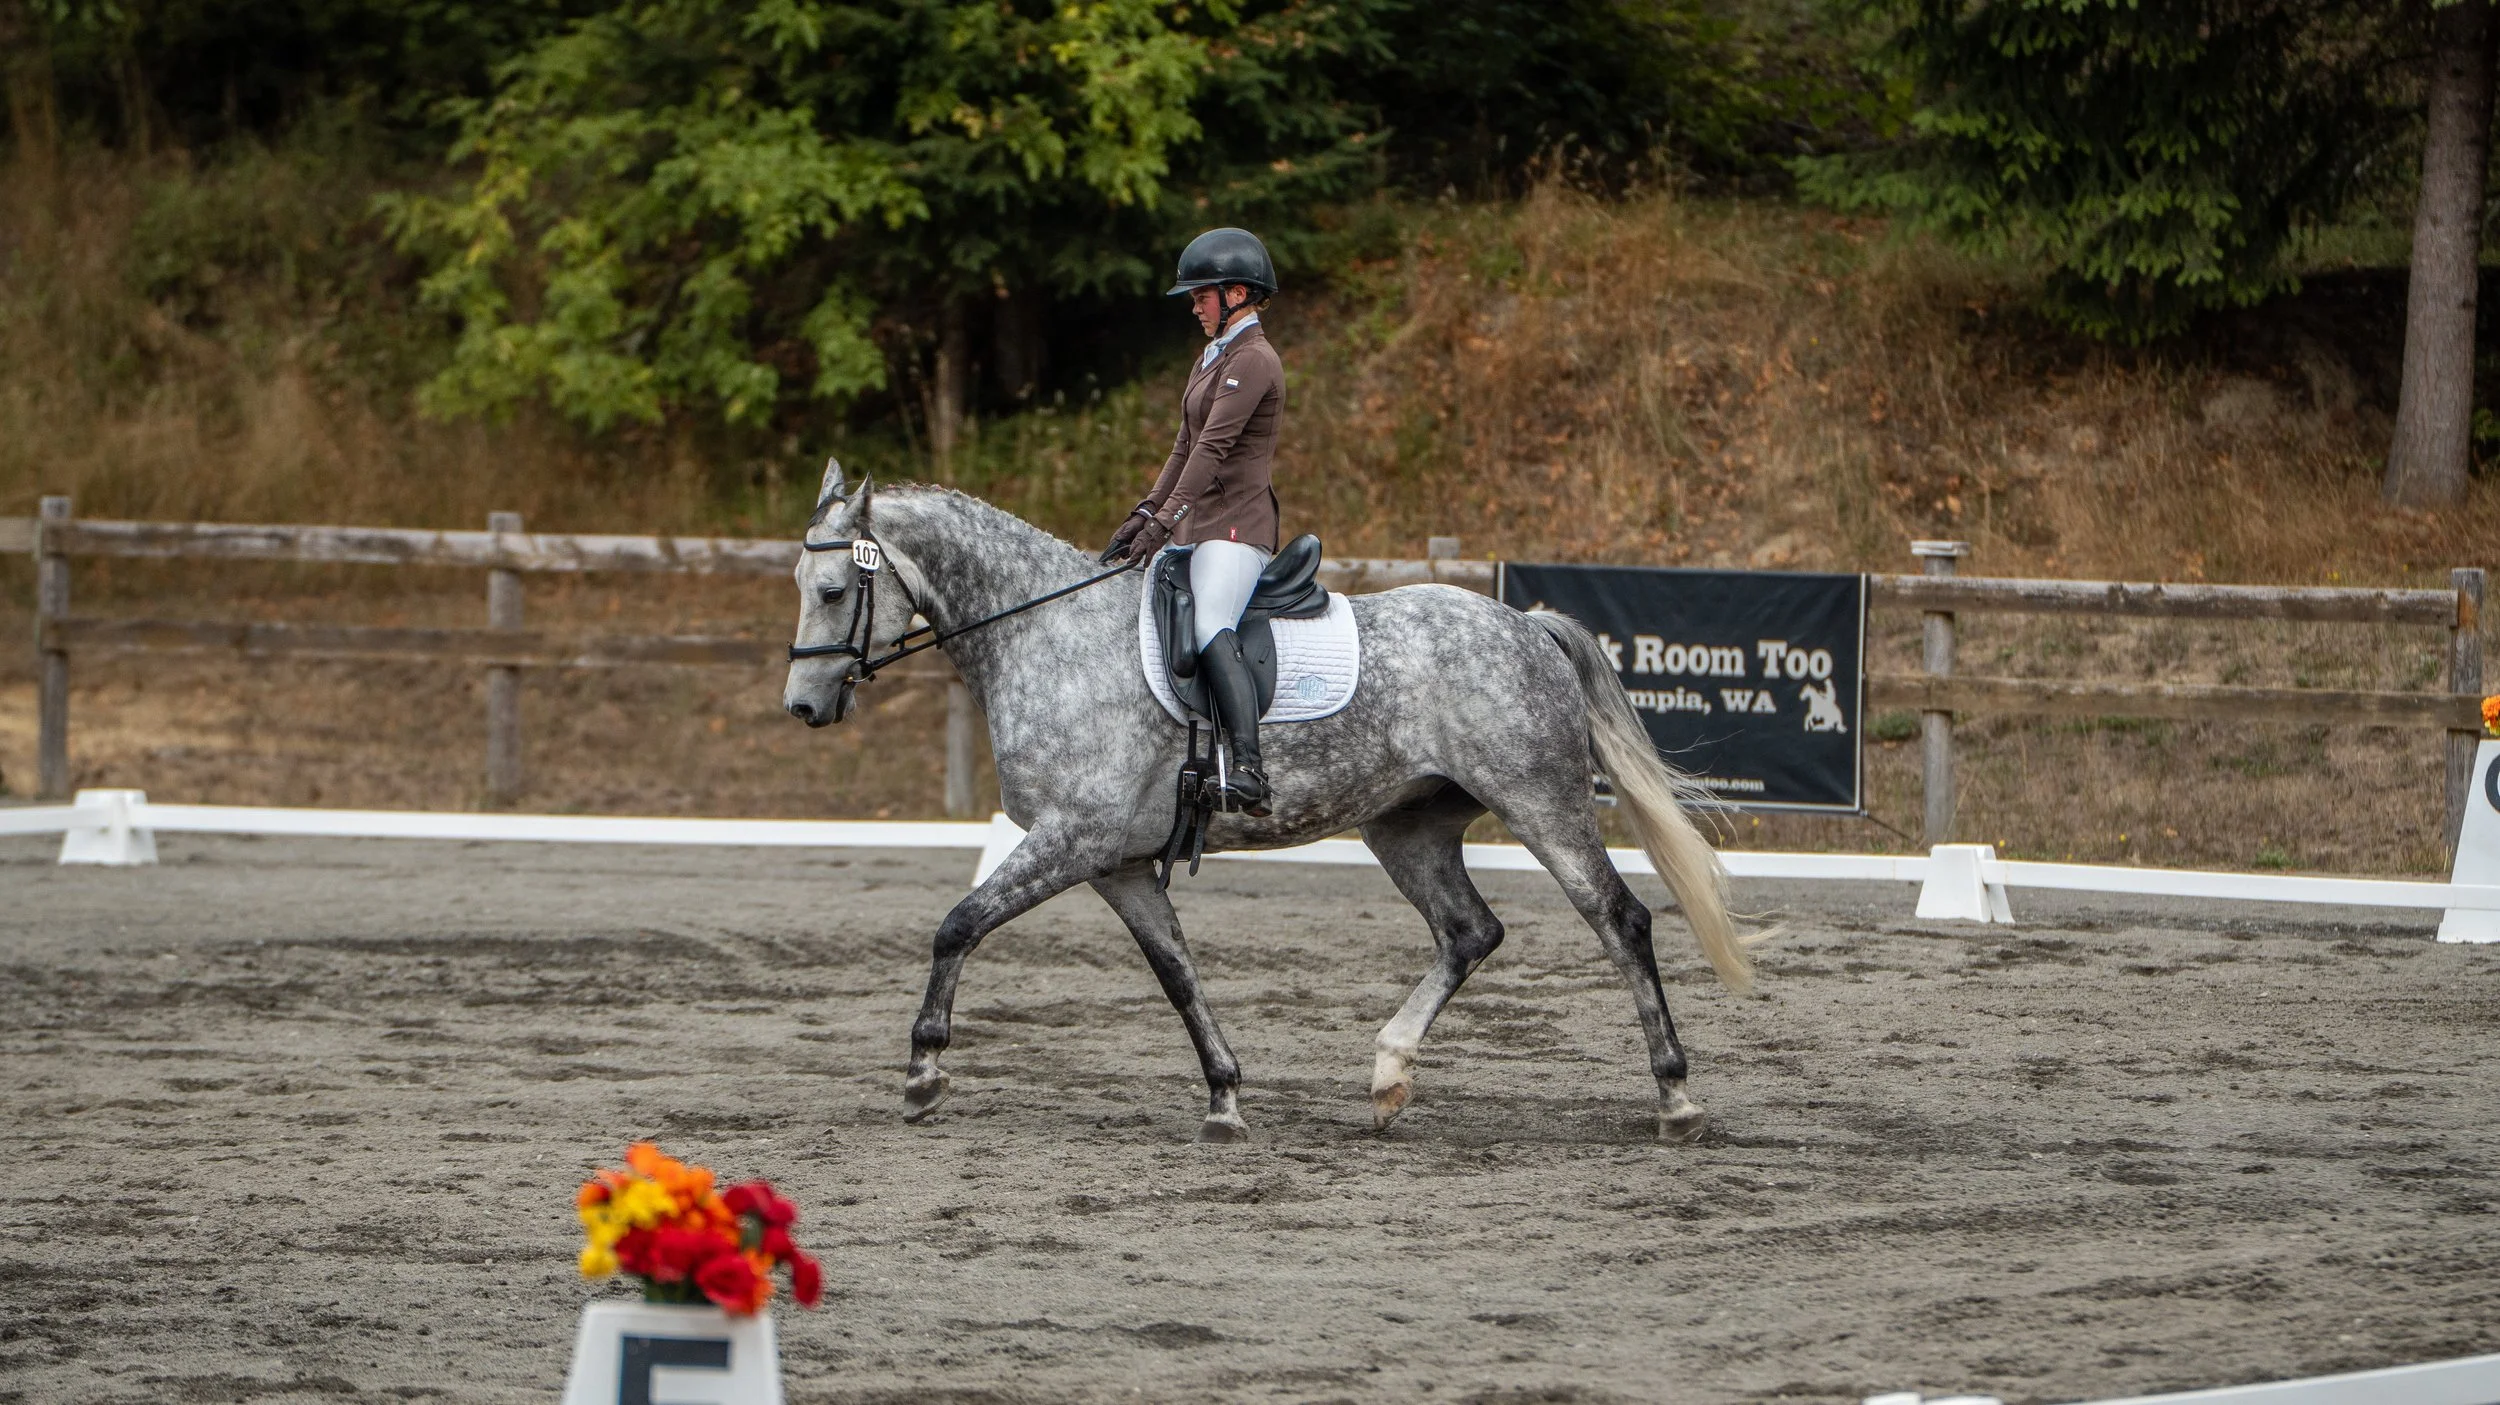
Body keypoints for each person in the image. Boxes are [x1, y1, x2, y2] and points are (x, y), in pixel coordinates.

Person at [1101, 227, 1286, 815]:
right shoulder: (1212, 360)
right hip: (1195, 528)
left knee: (1210, 623)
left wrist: (1164, 522)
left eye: (1202, 294)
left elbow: (1214, 452)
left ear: (1237, 293)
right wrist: (1146, 513)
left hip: (1236, 527)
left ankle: (1250, 769)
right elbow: (1183, 447)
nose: (1193, 303)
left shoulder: (1254, 360)